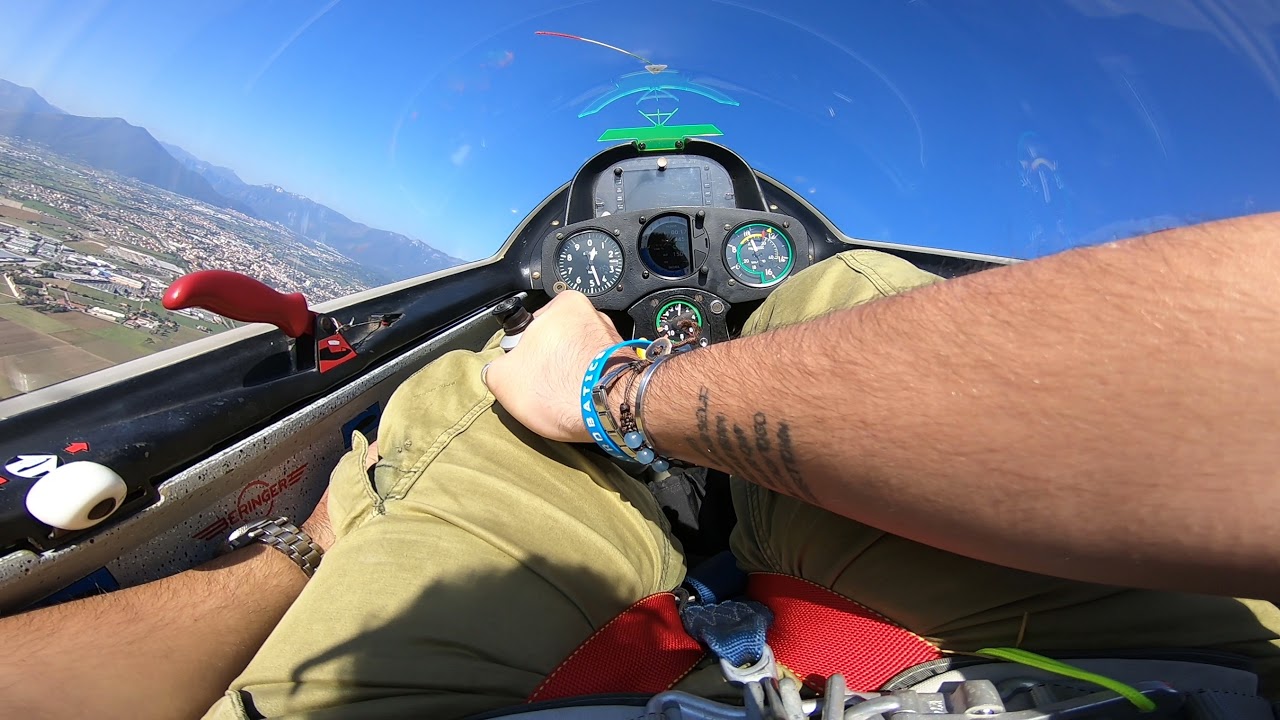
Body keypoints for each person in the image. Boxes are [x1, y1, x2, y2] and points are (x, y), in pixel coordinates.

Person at [3, 213, 1280, 720]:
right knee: (837, 297)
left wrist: (612, 396)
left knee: (482, 403)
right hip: (1156, 677)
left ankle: (350, 540)